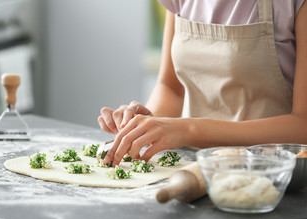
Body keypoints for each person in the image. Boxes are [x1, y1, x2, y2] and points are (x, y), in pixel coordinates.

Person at [98, 0, 307, 167]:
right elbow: (171, 87)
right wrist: (146, 125)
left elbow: (303, 124)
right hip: (195, 171)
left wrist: (190, 129)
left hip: (275, 178)